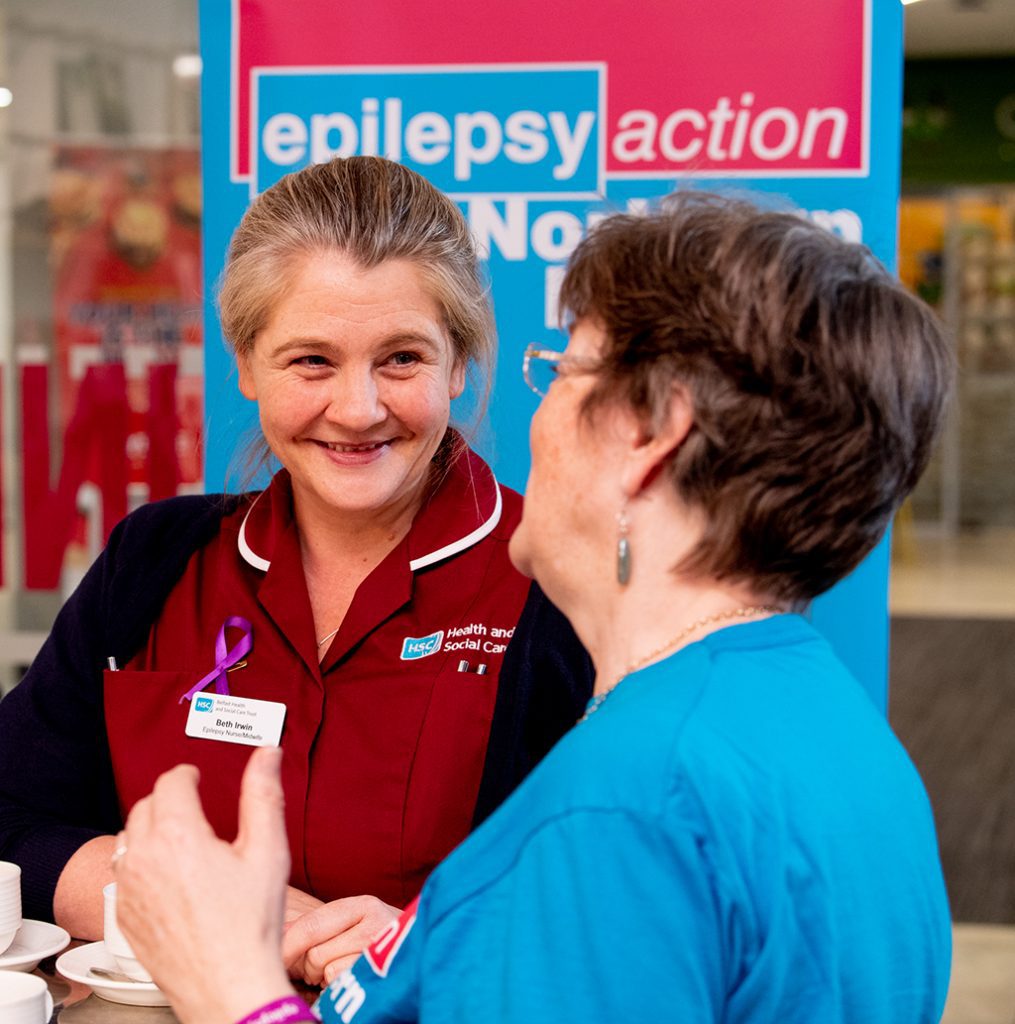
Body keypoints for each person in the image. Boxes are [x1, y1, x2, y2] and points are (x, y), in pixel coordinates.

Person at [113, 191, 954, 1023]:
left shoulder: (622, 805)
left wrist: (231, 986)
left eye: (562, 371)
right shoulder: (828, 725)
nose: (538, 413)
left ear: (652, 436)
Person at [0, 156, 591, 983]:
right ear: (245, 364)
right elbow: (12, 814)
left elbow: (617, 900)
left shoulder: (564, 583)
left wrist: (421, 943)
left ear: (459, 364)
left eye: (402, 359)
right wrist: (175, 895)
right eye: (311, 360)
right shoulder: (154, 564)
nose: (357, 409)